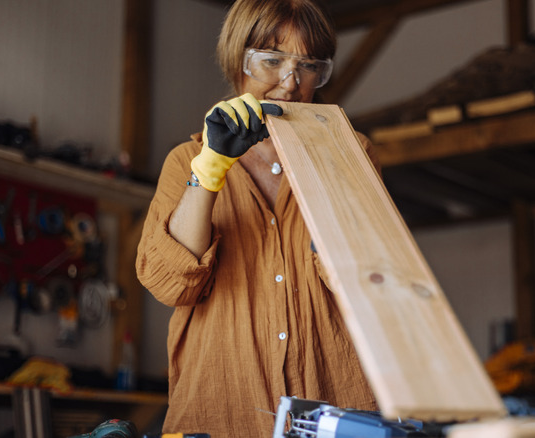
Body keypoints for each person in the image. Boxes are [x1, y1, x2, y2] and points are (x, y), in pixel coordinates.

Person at [136, 0, 379, 436]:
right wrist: (209, 169)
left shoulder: (351, 153)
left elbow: (368, 278)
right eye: (271, 61)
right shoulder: (186, 160)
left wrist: (331, 158)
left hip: (334, 406)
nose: (290, 82)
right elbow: (170, 281)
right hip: (221, 409)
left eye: (309, 66)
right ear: (238, 61)